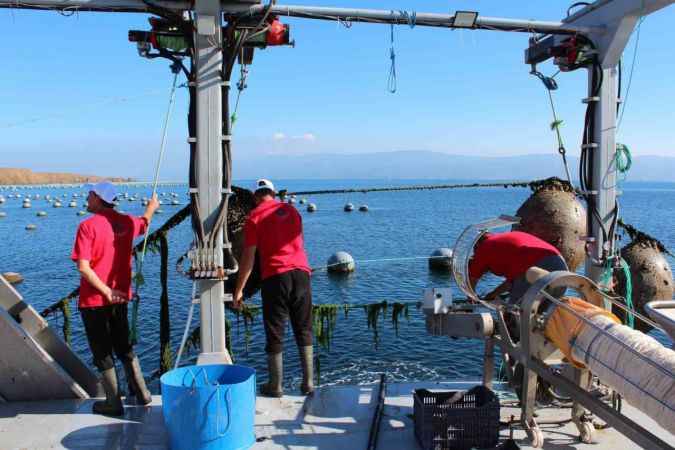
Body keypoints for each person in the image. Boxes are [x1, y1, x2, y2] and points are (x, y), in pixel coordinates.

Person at [71, 181, 159, 416]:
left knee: (102, 352)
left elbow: (83, 267)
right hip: (120, 299)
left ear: (99, 199)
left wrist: (105, 290)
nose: (87, 198)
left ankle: (113, 403)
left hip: (94, 301)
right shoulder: (127, 222)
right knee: (124, 346)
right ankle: (143, 395)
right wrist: (152, 207)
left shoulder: (87, 226)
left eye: (90, 195)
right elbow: (145, 223)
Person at [233, 179, 314, 398]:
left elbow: (248, 257)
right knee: (304, 328)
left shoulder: (254, 217)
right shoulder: (293, 211)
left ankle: (275, 386)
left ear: (255, 196)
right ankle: (308, 383)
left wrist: (239, 289)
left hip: (275, 278)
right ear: (274, 193)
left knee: (275, 331)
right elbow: (298, 244)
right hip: (302, 274)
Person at [469, 230, 568, 305]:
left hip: (535, 268)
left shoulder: (484, 247)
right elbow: (512, 283)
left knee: (515, 311)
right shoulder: (503, 241)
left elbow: (472, 280)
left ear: (477, 245)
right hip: (562, 269)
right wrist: (492, 295)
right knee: (547, 311)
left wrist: (471, 299)